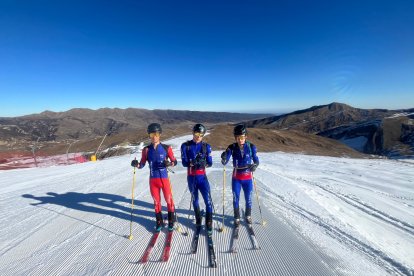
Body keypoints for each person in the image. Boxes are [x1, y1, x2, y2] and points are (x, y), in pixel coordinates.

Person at [131, 123, 178, 231]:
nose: (154, 137)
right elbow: (142, 164)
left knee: (168, 200)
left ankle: (171, 220)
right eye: (152, 134)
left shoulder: (167, 148)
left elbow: (174, 162)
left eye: (156, 134)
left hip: (164, 179)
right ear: (149, 135)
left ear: (159, 134)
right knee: (156, 202)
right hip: (153, 180)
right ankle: (159, 221)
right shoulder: (146, 150)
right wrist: (136, 164)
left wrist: (169, 164)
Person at [220, 124, 259, 226]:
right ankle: (236, 217)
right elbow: (225, 161)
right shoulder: (232, 147)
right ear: (235, 137)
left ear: (246, 136)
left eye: (242, 137)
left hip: (247, 178)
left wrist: (255, 165)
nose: (240, 139)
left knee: (248, 198)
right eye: (237, 137)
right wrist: (224, 157)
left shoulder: (251, 147)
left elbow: (256, 160)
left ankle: (248, 215)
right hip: (236, 178)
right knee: (235, 198)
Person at [181, 123, 214, 232]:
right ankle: (198, 219)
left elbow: (210, 163)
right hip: (192, 178)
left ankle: (209, 221)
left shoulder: (206, 146)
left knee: (208, 200)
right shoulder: (186, 146)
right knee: (195, 200)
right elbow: (184, 163)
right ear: (193, 133)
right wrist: (192, 162)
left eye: (201, 134)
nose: (198, 136)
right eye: (196, 133)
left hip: (202, 178)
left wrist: (204, 164)